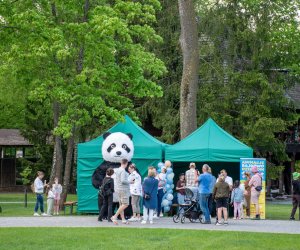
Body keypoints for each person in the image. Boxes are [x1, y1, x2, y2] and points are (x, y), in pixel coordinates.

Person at [111, 159, 130, 225]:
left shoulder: (118, 170)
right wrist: (130, 182)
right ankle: (115, 216)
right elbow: (123, 181)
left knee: (121, 204)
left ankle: (123, 219)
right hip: (123, 189)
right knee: (125, 204)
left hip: (118, 189)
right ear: (126, 163)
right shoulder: (123, 171)